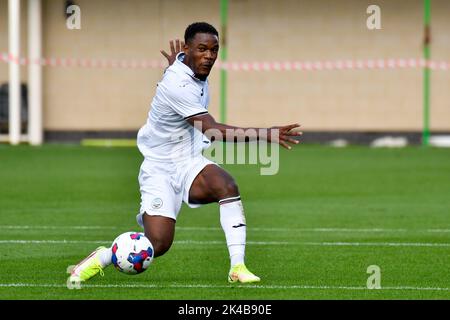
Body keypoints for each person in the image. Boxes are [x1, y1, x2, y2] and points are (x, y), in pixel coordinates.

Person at [69, 22, 301, 284]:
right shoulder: (177, 84)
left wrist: (176, 64)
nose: (209, 56)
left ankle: (238, 268)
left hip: (189, 161)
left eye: (214, 50)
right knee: (158, 243)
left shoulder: (191, 71)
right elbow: (212, 131)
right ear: (188, 48)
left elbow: (184, 77)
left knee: (226, 185)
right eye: (202, 49)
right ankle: (103, 257)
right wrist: (267, 133)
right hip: (160, 169)